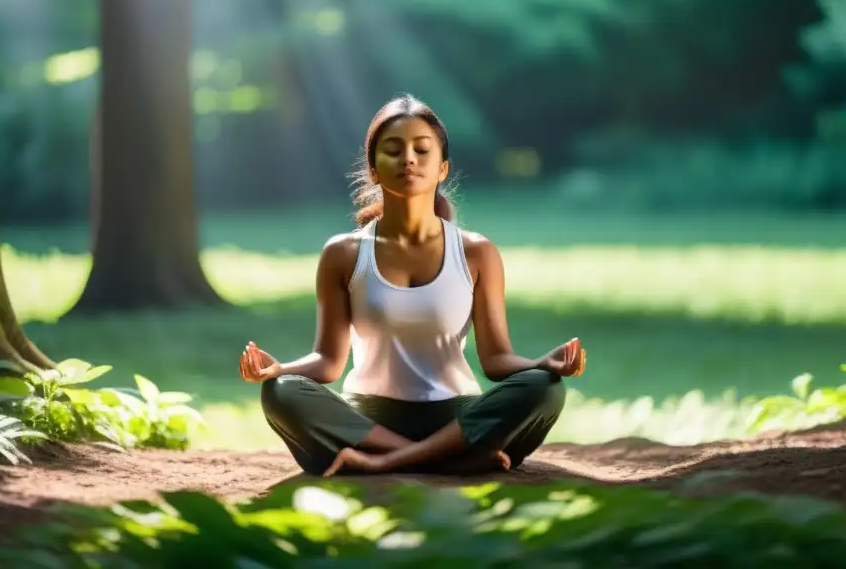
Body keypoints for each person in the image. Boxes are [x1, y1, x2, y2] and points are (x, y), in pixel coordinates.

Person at [238, 94, 586, 477]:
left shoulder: (476, 252)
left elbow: (496, 360)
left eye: (422, 149)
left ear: (443, 169)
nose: (409, 159)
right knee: (283, 392)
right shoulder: (343, 253)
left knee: (545, 387)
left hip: (456, 416)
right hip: (368, 422)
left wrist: (542, 364)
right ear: (372, 169)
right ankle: (449, 461)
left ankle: (386, 464)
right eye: (393, 150)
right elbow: (329, 361)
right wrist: (278, 369)